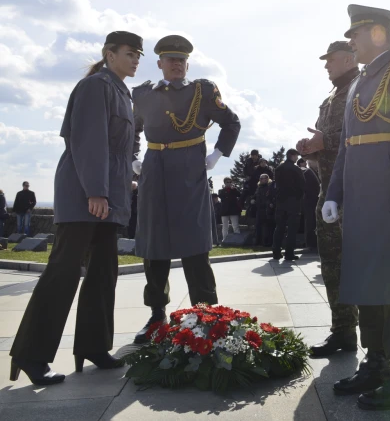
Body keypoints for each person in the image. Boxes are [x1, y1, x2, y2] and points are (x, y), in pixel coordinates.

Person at [10, 31, 142, 385]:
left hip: (107, 196)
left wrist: (125, 178)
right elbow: (88, 141)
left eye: (138, 55)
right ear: (109, 54)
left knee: (103, 274)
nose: (135, 60)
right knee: (63, 273)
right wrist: (96, 191)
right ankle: (31, 355)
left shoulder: (121, 92)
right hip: (86, 195)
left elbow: (120, 149)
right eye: (129, 53)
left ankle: (94, 346)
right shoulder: (95, 86)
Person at [322, 4, 390, 410]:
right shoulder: (358, 82)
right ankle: (376, 363)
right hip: (361, 198)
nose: (350, 41)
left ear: (377, 33)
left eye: (356, 34)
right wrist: (335, 193)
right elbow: (348, 147)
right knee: (366, 281)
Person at [131, 35, 241, 344]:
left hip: (191, 168)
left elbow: (231, 122)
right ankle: (156, 314)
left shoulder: (202, 91)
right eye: (170, 59)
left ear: (187, 64)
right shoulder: (142, 94)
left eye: (181, 60)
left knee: (195, 244)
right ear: (160, 64)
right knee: (154, 245)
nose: (176, 64)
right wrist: (133, 158)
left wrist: (217, 155)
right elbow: (132, 129)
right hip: (153, 170)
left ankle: (205, 313)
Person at [297, 40, 360, 358]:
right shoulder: (329, 99)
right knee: (332, 267)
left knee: (359, 268)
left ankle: (375, 344)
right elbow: (326, 143)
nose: (326, 65)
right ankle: (343, 332)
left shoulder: (362, 89)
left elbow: (363, 136)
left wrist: (328, 139)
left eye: (331, 60)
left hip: (356, 193)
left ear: (349, 59)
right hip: (328, 191)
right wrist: (311, 147)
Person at [272, 149, 305, 261]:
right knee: (292, 228)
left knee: (279, 227)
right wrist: (299, 197)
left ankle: (276, 252)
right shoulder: (296, 169)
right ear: (291, 155)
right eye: (296, 156)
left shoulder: (278, 168)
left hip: (281, 200)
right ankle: (289, 253)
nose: (297, 158)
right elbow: (302, 185)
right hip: (293, 201)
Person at [302, 159, 321, 251]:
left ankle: (314, 242)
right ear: (310, 162)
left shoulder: (315, 172)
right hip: (310, 201)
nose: (317, 163)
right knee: (310, 222)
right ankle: (310, 243)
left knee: (314, 221)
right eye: (315, 161)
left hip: (315, 200)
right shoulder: (307, 172)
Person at [253, 174, 276, 247]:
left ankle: (267, 242)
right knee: (258, 226)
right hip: (259, 209)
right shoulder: (258, 188)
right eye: (262, 178)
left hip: (267, 209)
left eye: (266, 178)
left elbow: (271, 197)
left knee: (268, 227)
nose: (264, 179)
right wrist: (253, 199)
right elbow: (255, 196)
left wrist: (270, 204)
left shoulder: (270, 187)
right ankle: (258, 242)